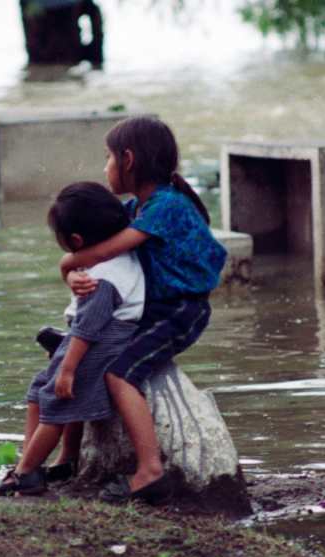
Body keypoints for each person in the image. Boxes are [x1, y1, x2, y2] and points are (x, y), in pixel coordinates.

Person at [60, 116, 227, 504]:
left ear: (128, 159)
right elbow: (99, 263)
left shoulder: (165, 205)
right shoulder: (139, 205)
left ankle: (150, 472)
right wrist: (73, 277)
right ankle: (67, 457)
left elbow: (103, 252)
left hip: (179, 312)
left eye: (108, 158)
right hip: (151, 308)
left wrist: (66, 265)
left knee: (120, 375)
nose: (105, 167)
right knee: (85, 356)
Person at [0, 182, 145, 496]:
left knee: (57, 402)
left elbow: (88, 328)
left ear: (76, 241)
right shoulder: (116, 258)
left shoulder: (104, 280)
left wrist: (68, 368)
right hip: (86, 341)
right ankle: (45, 462)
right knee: (38, 392)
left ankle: (26, 473)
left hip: (95, 347)